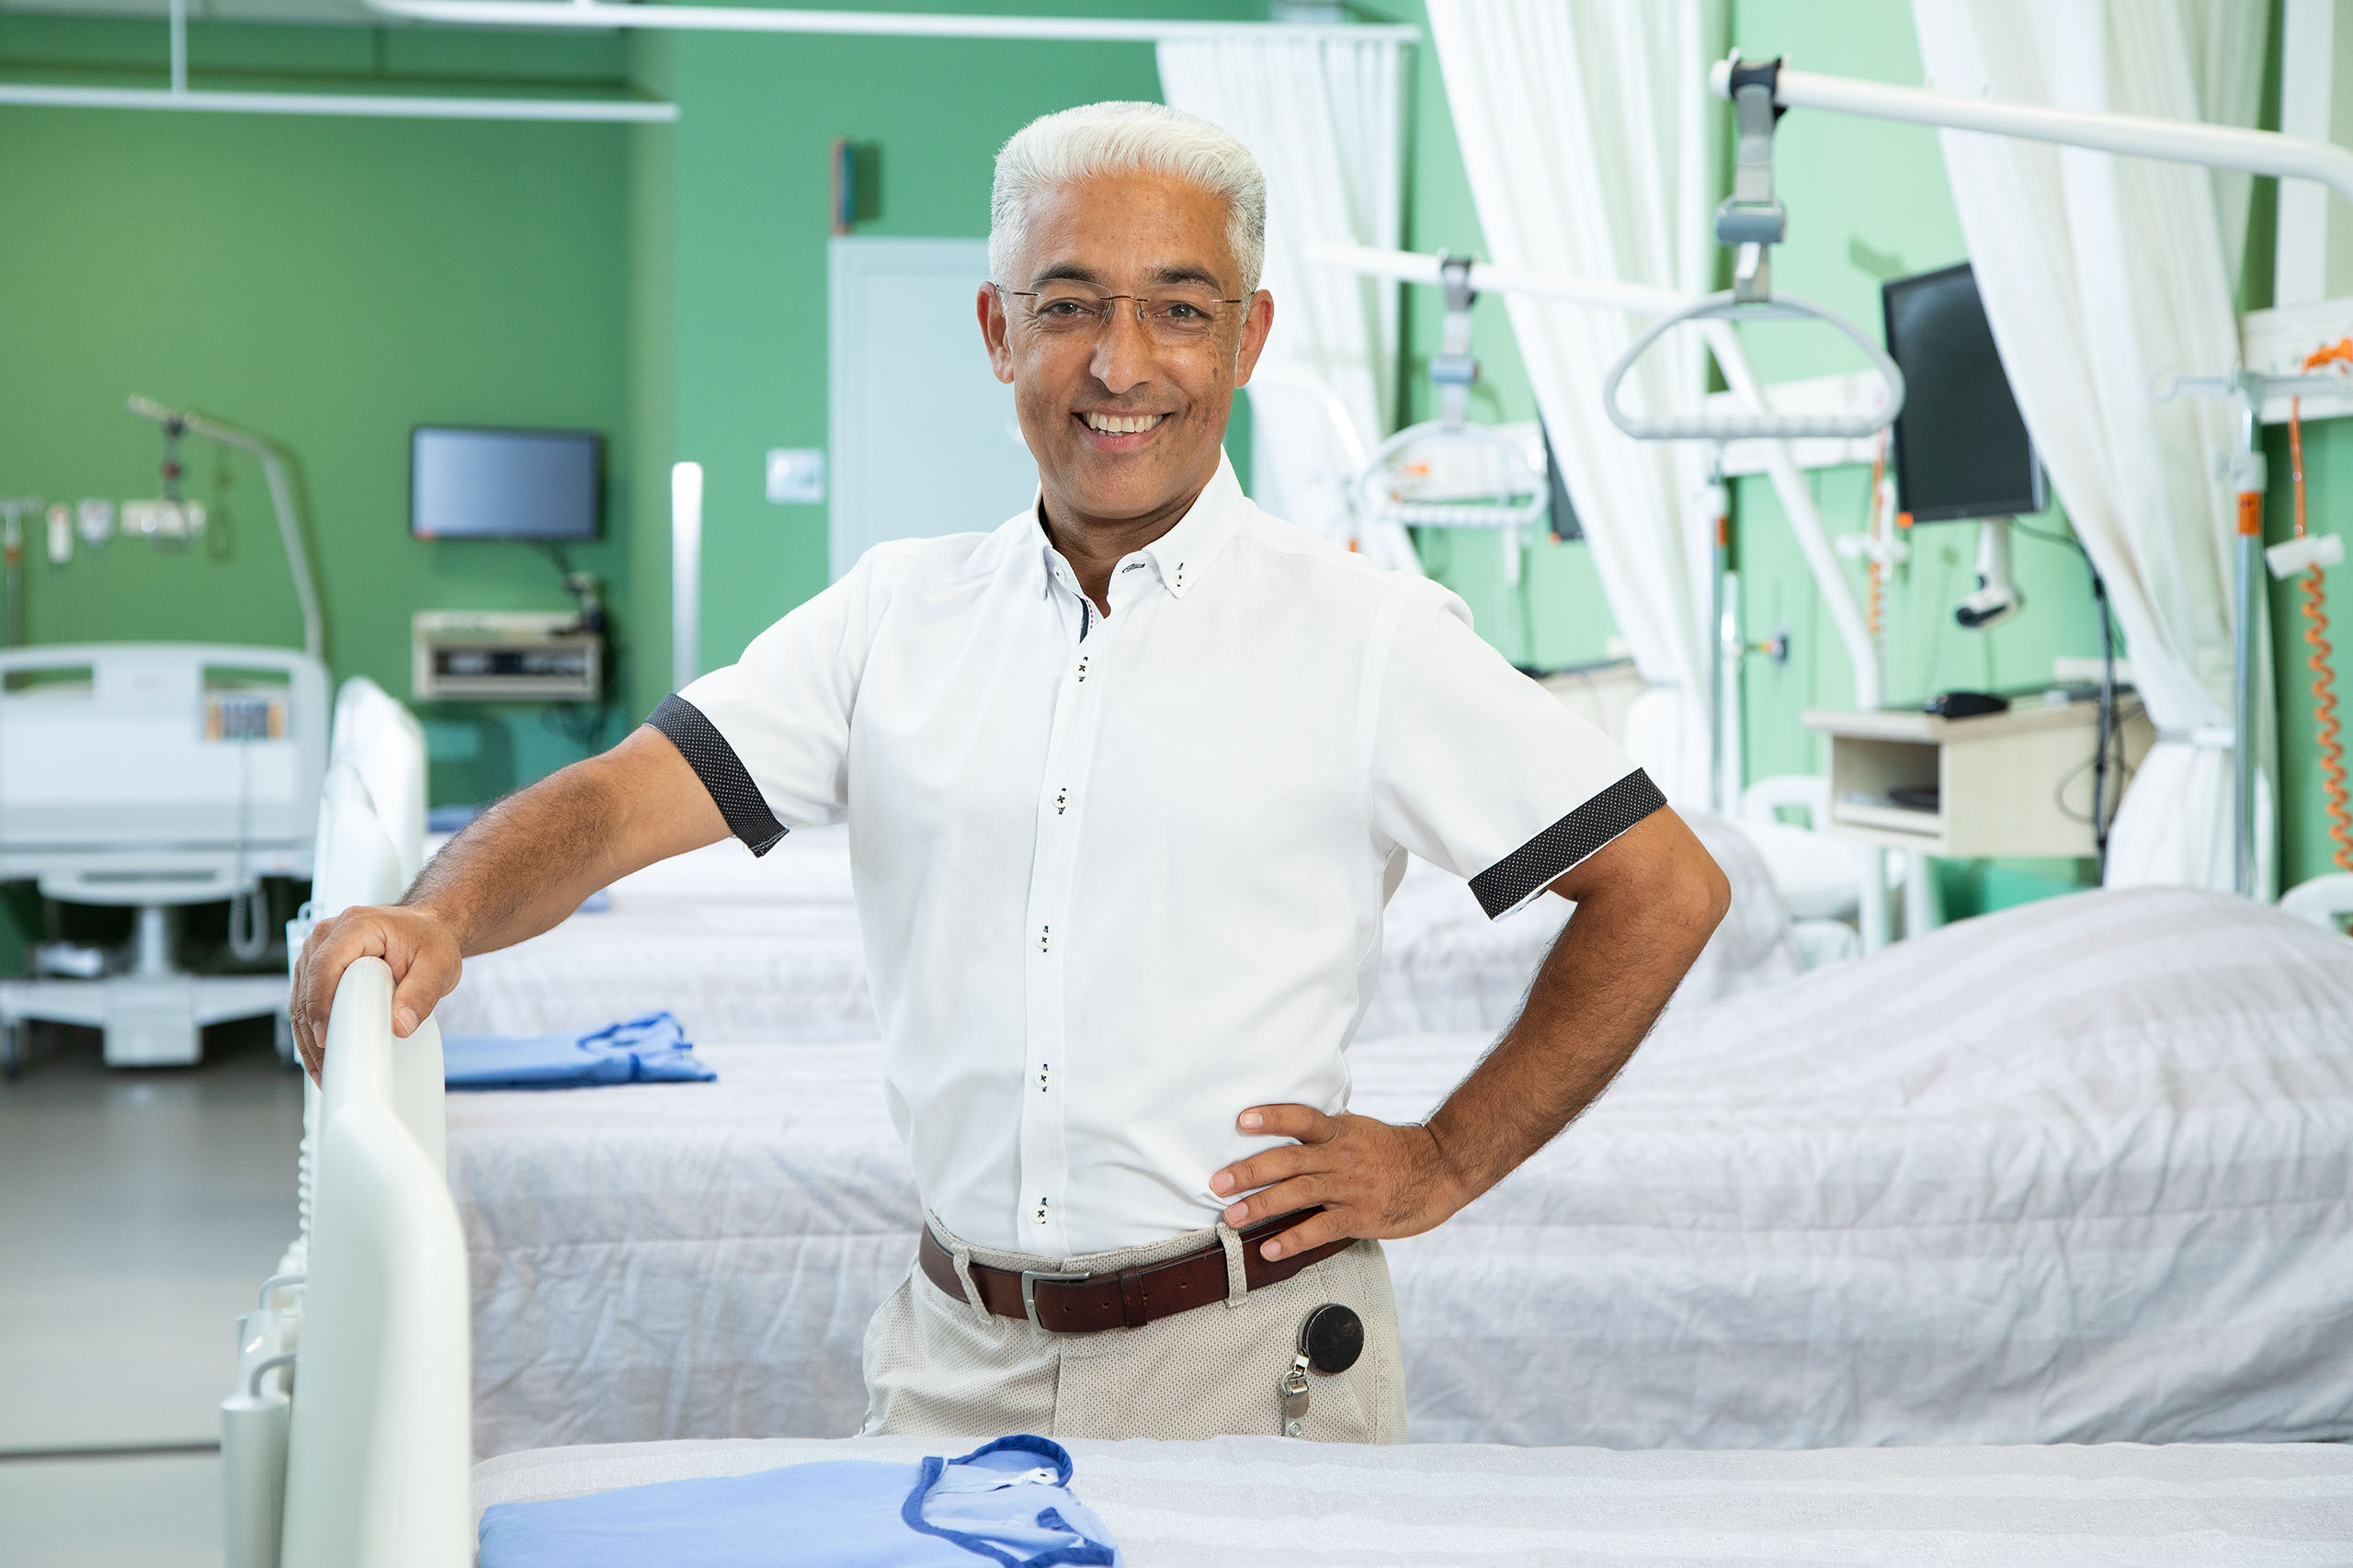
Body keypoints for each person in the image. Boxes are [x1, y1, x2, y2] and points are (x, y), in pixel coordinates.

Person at [293, 101, 1729, 1445]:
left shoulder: (1369, 636)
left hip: (1248, 1363)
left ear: (1250, 337)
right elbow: (616, 798)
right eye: (1069, 306)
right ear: (998, 328)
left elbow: (1663, 884)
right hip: (949, 1352)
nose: (1121, 363)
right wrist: (441, 915)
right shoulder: (892, 619)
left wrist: (1443, 1159)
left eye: (1179, 308)